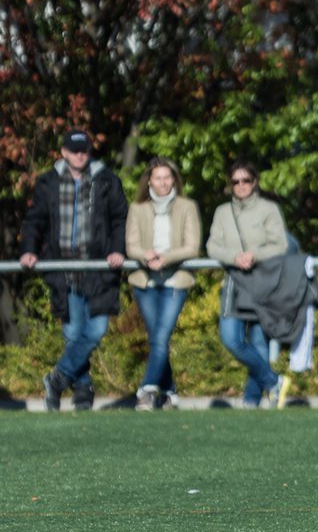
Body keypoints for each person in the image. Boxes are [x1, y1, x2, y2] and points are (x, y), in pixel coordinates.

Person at [20, 129, 129, 411]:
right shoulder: (48, 182)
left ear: (89, 152)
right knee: (72, 333)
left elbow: (120, 218)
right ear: (64, 153)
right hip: (63, 269)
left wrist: (118, 249)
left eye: (84, 150)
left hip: (98, 269)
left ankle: (57, 379)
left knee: (96, 330)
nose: (80, 154)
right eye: (74, 150)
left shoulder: (106, 180)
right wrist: (29, 250)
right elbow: (35, 220)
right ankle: (82, 390)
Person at [206, 162, 289, 409]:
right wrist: (235, 257)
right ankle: (274, 382)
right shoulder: (222, 212)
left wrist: (254, 255)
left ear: (255, 182)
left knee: (260, 342)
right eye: (235, 181)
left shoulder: (269, 209)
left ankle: (251, 401)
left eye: (246, 180)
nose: (241, 186)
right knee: (231, 338)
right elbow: (212, 246)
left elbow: (280, 245)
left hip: (264, 281)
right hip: (234, 281)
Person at [125, 158, 202, 410]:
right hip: (145, 282)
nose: (162, 182)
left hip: (175, 281)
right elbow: (131, 245)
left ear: (174, 180)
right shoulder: (137, 208)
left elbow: (192, 246)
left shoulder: (187, 207)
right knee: (157, 338)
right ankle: (169, 392)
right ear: (149, 180)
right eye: (157, 177)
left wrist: (165, 258)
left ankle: (147, 389)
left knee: (161, 336)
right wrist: (146, 255)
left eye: (167, 177)